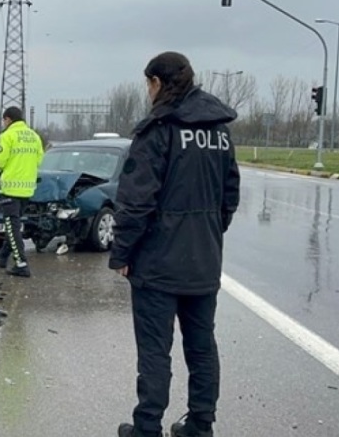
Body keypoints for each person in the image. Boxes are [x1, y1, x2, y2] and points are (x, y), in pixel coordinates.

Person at [110, 52, 240, 437]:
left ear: (156, 83)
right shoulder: (218, 130)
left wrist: (122, 253)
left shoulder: (159, 129)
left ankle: (146, 428)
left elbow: (136, 201)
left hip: (157, 264)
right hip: (204, 262)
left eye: (147, 85)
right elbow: (229, 195)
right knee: (202, 348)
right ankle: (200, 425)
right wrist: (209, 234)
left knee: (155, 351)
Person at [0, 106, 44, 277]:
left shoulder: (7, 136)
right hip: (27, 188)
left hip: (11, 188)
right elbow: (39, 159)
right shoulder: (34, 136)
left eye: (4, 120)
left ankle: (21, 264)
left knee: (12, 227)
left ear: (8, 119)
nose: (3, 123)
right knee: (14, 225)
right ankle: (3, 255)